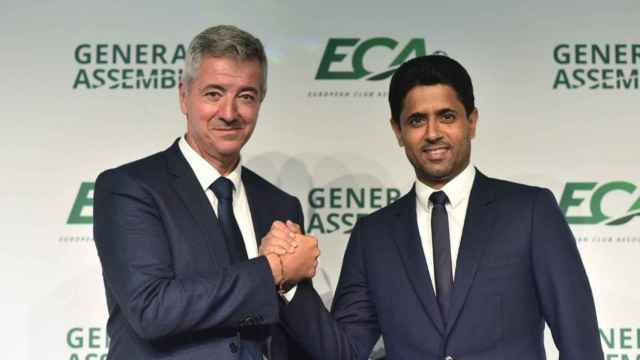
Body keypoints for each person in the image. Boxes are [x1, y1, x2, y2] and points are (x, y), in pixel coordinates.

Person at [275, 55, 604, 359]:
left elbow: (580, 343)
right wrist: (290, 284)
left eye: (447, 117)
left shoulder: (530, 212)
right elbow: (344, 352)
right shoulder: (372, 236)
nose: (433, 133)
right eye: (417, 120)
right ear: (398, 131)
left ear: (471, 121)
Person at [93, 25, 318, 359]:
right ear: (184, 96)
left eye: (246, 96)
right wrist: (274, 269)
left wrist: (291, 285)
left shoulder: (280, 205)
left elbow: (292, 332)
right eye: (214, 94)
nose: (229, 113)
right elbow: (152, 309)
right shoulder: (130, 188)